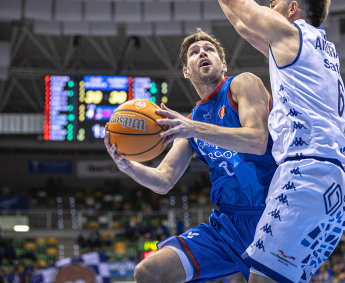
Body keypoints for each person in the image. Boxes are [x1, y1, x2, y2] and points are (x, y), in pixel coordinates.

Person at [181, 0, 345, 282]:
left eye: (273, 3)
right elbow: (242, 22)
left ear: (292, 8)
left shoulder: (291, 33)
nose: (267, 8)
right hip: (334, 183)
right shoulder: (316, 48)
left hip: (305, 173)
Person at [104, 30, 277, 282]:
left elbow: (258, 141)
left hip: (272, 215)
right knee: (149, 272)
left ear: (223, 63)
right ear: (186, 71)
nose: (202, 53)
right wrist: (126, 165)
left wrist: (193, 128)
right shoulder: (191, 121)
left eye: (209, 49)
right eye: (194, 53)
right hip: (227, 225)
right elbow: (163, 180)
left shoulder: (243, 84)